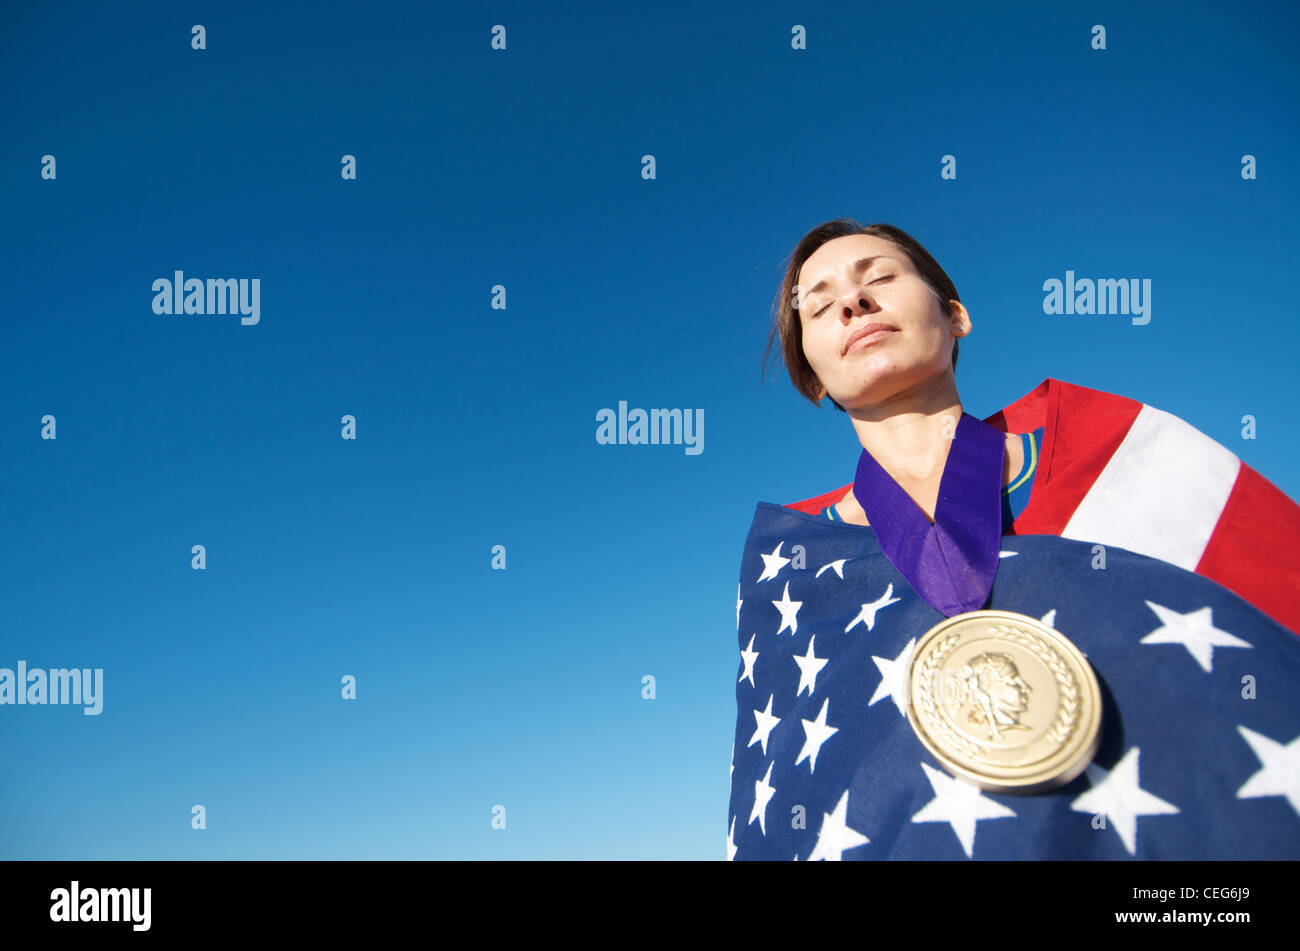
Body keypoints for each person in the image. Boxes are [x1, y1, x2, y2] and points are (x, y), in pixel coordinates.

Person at [726, 219, 1300, 861]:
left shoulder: (1117, 454)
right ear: (813, 375)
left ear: (956, 316)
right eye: (821, 305)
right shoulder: (793, 567)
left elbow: (1269, 621)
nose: (853, 303)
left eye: (880, 277)